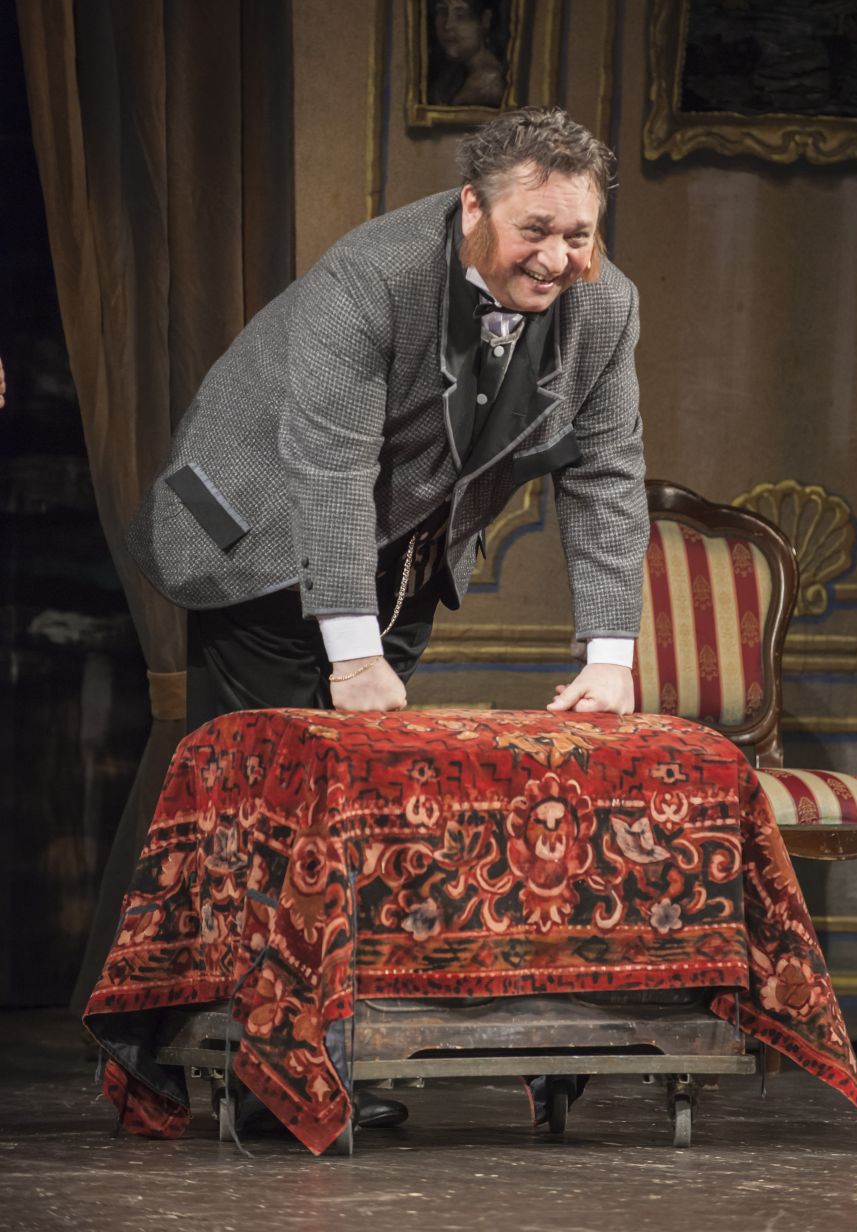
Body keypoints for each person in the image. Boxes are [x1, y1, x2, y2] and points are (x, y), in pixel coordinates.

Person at [126, 105, 648, 1125]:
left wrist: (610, 651)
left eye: (579, 234)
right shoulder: (372, 276)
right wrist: (354, 657)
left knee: (351, 812)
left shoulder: (605, 306)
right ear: (472, 207)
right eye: (535, 231)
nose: (557, 259)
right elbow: (328, 471)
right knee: (269, 806)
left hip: (402, 550)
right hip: (257, 534)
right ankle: (250, 1076)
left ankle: (319, 1052)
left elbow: (608, 476)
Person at [428, 0, 507, 107]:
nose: (448, 25)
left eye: (461, 15)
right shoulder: (452, 74)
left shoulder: (488, 86)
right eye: (442, 11)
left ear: (485, 20)